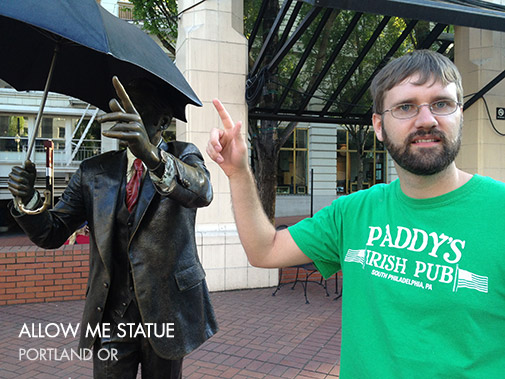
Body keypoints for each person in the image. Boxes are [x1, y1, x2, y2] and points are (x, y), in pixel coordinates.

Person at [207, 50, 505, 378]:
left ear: (459, 114)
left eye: (441, 103)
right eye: (406, 107)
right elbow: (264, 249)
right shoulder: (353, 211)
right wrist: (238, 173)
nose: (426, 120)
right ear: (379, 125)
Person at [8, 76, 217, 378]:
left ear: (163, 119)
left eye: (134, 106)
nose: (122, 111)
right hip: (111, 315)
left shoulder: (183, 155)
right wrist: (28, 199)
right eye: (119, 104)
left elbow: (202, 192)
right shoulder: (94, 172)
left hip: (167, 309)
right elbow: (52, 233)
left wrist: (153, 157)